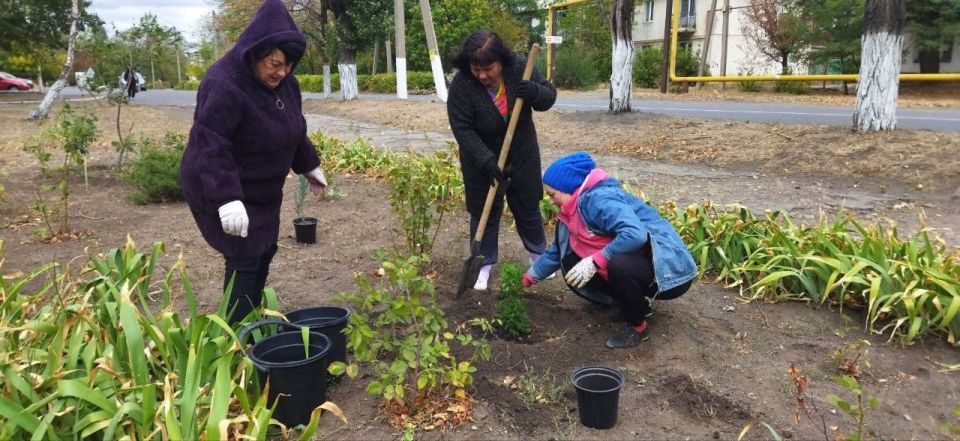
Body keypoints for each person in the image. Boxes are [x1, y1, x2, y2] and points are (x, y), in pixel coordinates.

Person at [180, 0, 327, 325]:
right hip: (220, 181)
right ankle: (234, 334)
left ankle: (251, 318)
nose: (282, 72)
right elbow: (211, 143)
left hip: (262, 187)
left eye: (288, 65)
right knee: (244, 255)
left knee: (265, 248)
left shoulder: (286, 85)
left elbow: (294, 128)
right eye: (275, 64)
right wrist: (227, 199)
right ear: (255, 53)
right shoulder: (225, 84)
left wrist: (308, 165)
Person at [523, 152, 697, 349]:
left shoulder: (600, 200)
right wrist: (531, 276)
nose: (550, 201)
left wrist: (596, 260)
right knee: (571, 260)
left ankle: (638, 328)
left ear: (568, 188)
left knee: (618, 265)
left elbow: (635, 234)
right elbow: (558, 250)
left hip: (669, 273)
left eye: (552, 194)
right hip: (642, 265)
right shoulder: (574, 209)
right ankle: (635, 305)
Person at [447, 30, 557, 291]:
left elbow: (548, 97)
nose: (482, 75)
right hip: (481, 160)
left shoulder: (519, 68)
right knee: (484, 211)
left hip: (521, 152)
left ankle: (538, 256)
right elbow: (462, 128)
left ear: (501, 61)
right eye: (476, 69)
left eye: (488, 69)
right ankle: (483, 264)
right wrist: (486, 160)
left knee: (527, 206)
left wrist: (533, 92)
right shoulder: (462, 84)